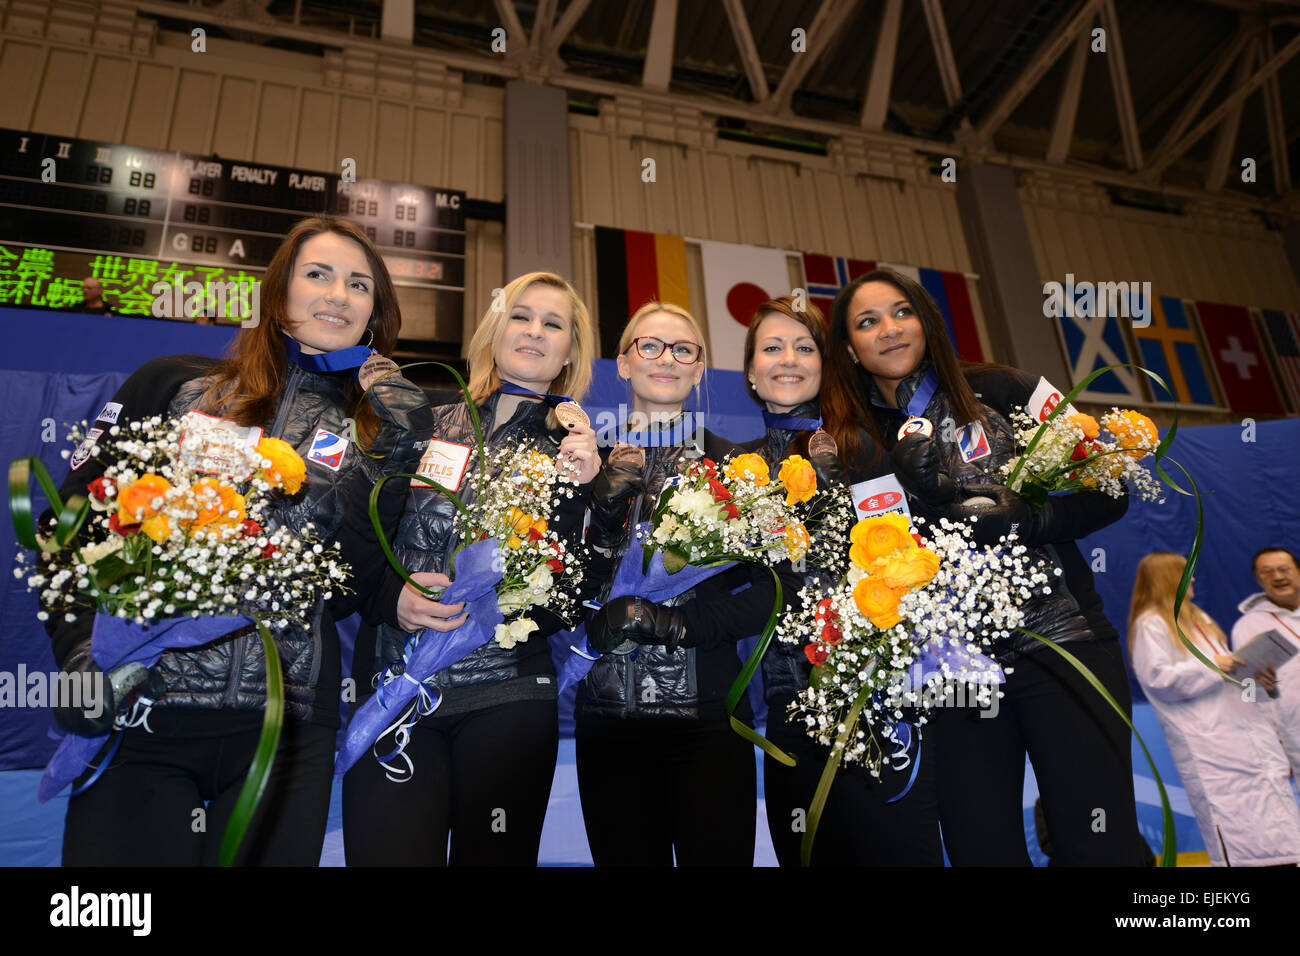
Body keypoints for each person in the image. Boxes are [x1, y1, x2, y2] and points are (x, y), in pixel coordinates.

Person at [47, 217, 433, 865]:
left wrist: (395, 456)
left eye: (359, 284)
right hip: (145, 716)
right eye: (318, 274)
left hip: (287, 740)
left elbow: (349, 589)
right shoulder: (176, 384)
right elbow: (72, 529)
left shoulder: (370, 431)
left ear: (375, 314)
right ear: (278, 294)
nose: (339, 294)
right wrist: (80, 653)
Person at [822, 268, 1145, 866]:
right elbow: (868, 562)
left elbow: (1111, 488)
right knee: (981, 849)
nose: (889, 330)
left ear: (926, 319)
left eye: (901, 312)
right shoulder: (851, 442)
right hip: (953, 676)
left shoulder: (1005, 387)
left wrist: (1031, 519)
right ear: (848, 348)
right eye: (867, 322)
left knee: (1099, 843)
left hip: (1063, 646)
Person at [343, 271, 599, 867]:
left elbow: (576, 594)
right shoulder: (425, 417)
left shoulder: (580, 453)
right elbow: (358, 535)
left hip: (507, 696)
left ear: (569, 352)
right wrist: (393, 596)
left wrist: (589, 497)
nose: (534, 332)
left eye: (553, 324)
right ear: (495, 328)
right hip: (397, 684)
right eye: (521, 315)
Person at [741, 295, 942, 866]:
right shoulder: (737, 469)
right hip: (788, 705)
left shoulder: (867, 446)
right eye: (772, 348)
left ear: (827, 365)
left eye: (805, 348)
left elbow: (909, 565)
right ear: (752, 371)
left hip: (879, 696)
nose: (788, 360)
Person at [576, 301, 776, 866]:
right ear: (622, 363)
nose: (666, 358)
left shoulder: (738, 468)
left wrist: (682, 624)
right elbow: (558, 581)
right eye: (649, 345)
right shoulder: (585, 462)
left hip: (710, 720)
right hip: (606, 724)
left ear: (699, 368)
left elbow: (770, 593)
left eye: (682, 349)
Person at [1130, 552, 1300, 866]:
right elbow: (1159, 679)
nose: (1193, 579)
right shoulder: (1151, 624)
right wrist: (1215, 664)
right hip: (1212, 749)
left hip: (1249, 740)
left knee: (1283, 841)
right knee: (1245, 843)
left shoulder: (1200, 620)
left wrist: (1257, 678)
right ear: (1168, 578)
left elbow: (1228, 679)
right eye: (1186, 573)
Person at [1231, 546, 1300, 774]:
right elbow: (1246, 691)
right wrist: (1271, 743)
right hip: (1295, 736)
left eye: (1284, 569)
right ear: (1258, 580)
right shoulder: (1248, 626)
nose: (1278, 577)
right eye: (1267, 572)